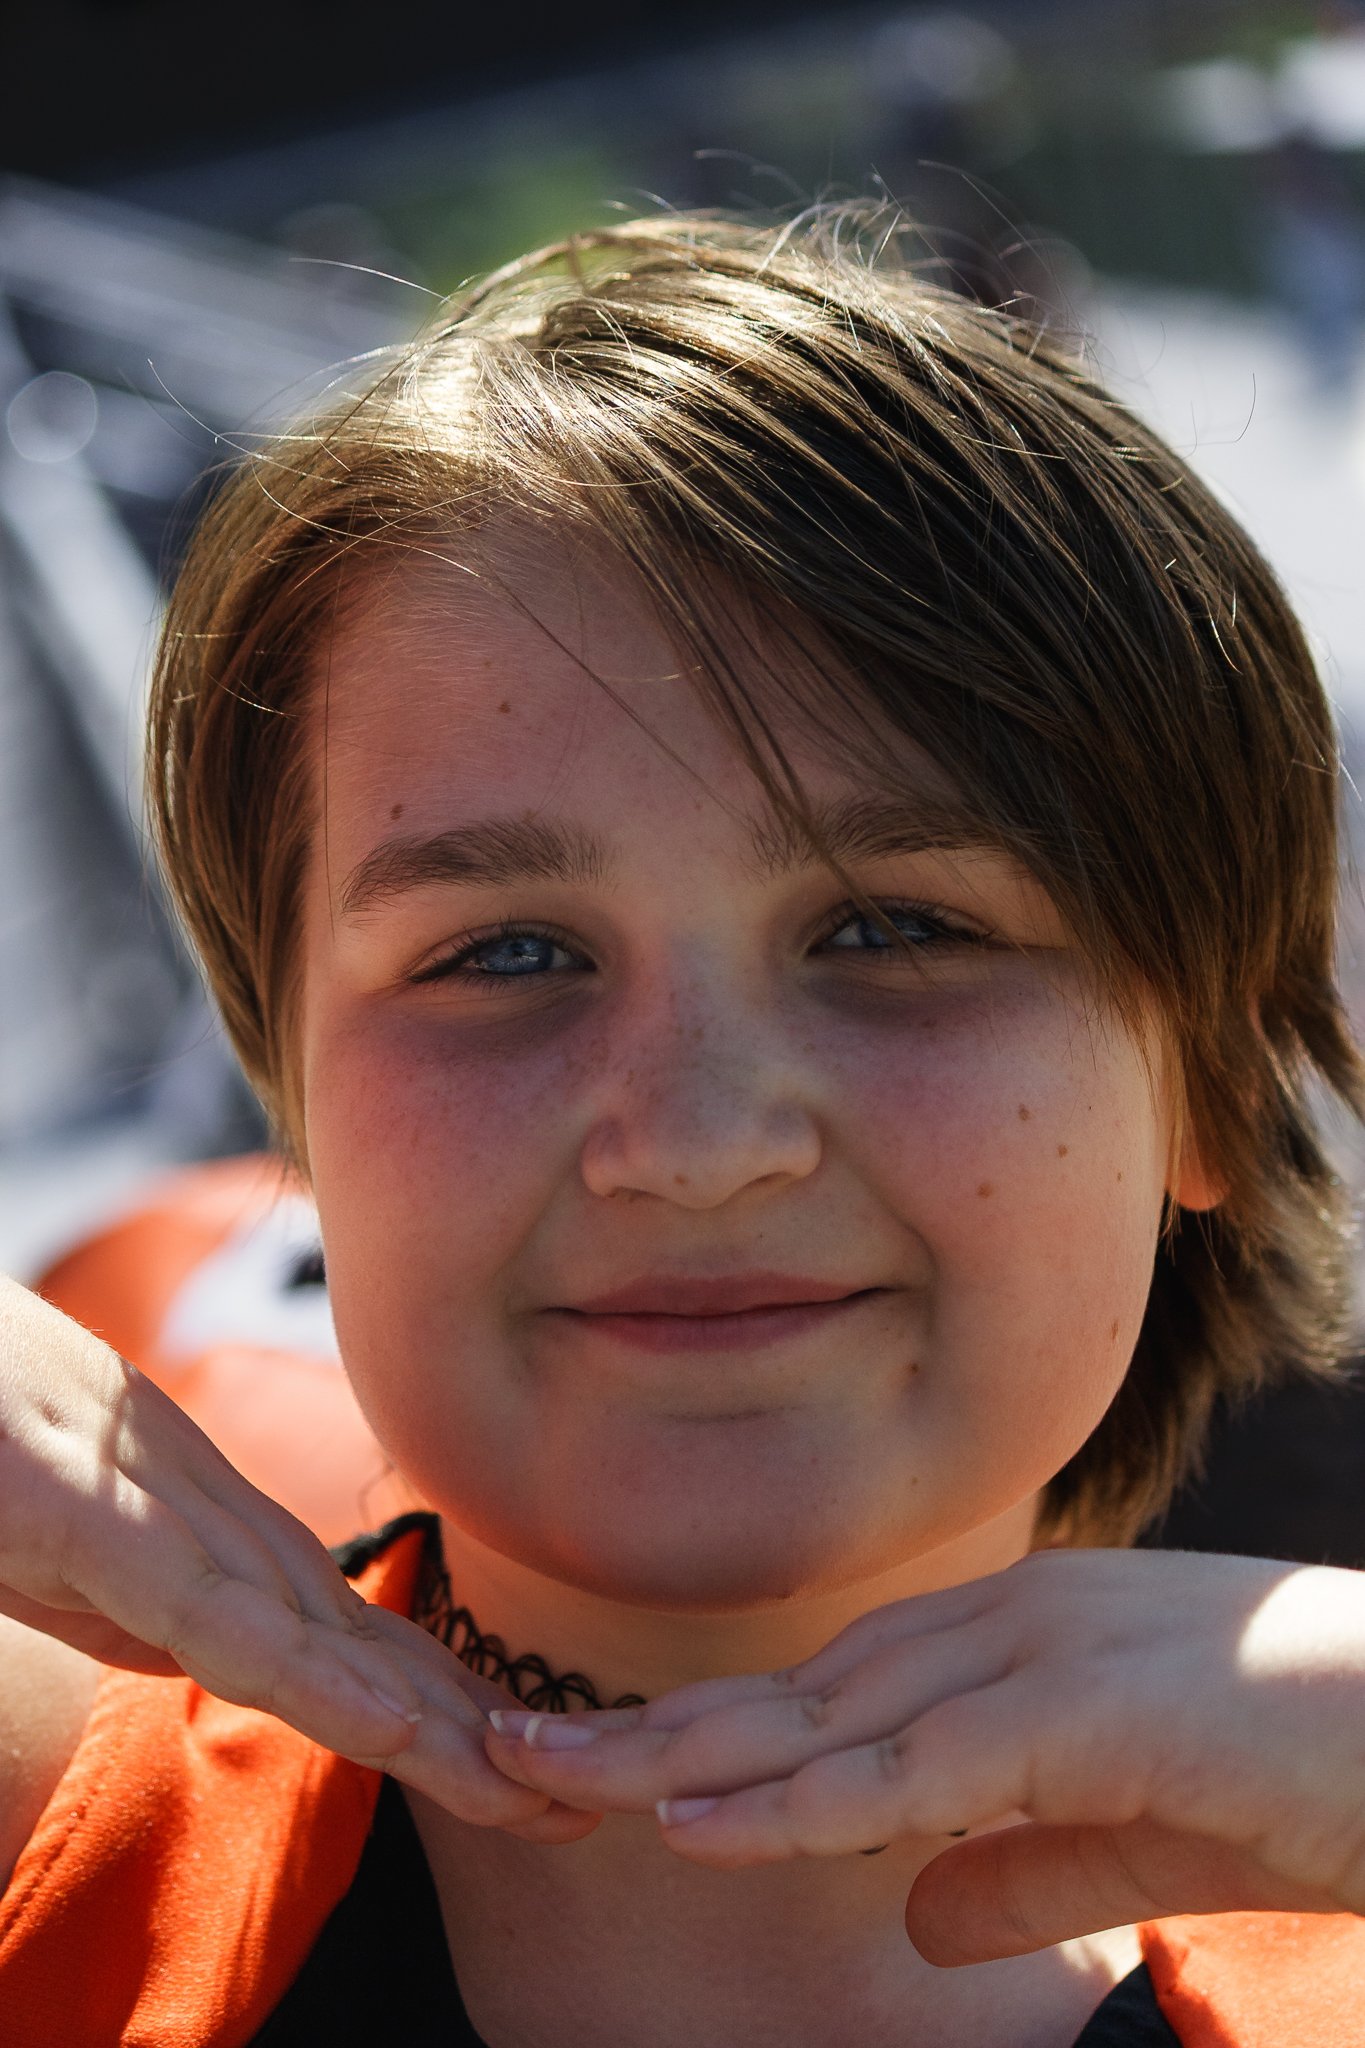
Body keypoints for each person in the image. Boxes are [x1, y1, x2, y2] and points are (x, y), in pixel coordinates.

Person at [1, 208, 1364, 2046]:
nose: (697, 1138)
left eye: (894, 929)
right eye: (504, 954)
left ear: (1204, 1071)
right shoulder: (58, 1847)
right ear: (295, 1092)